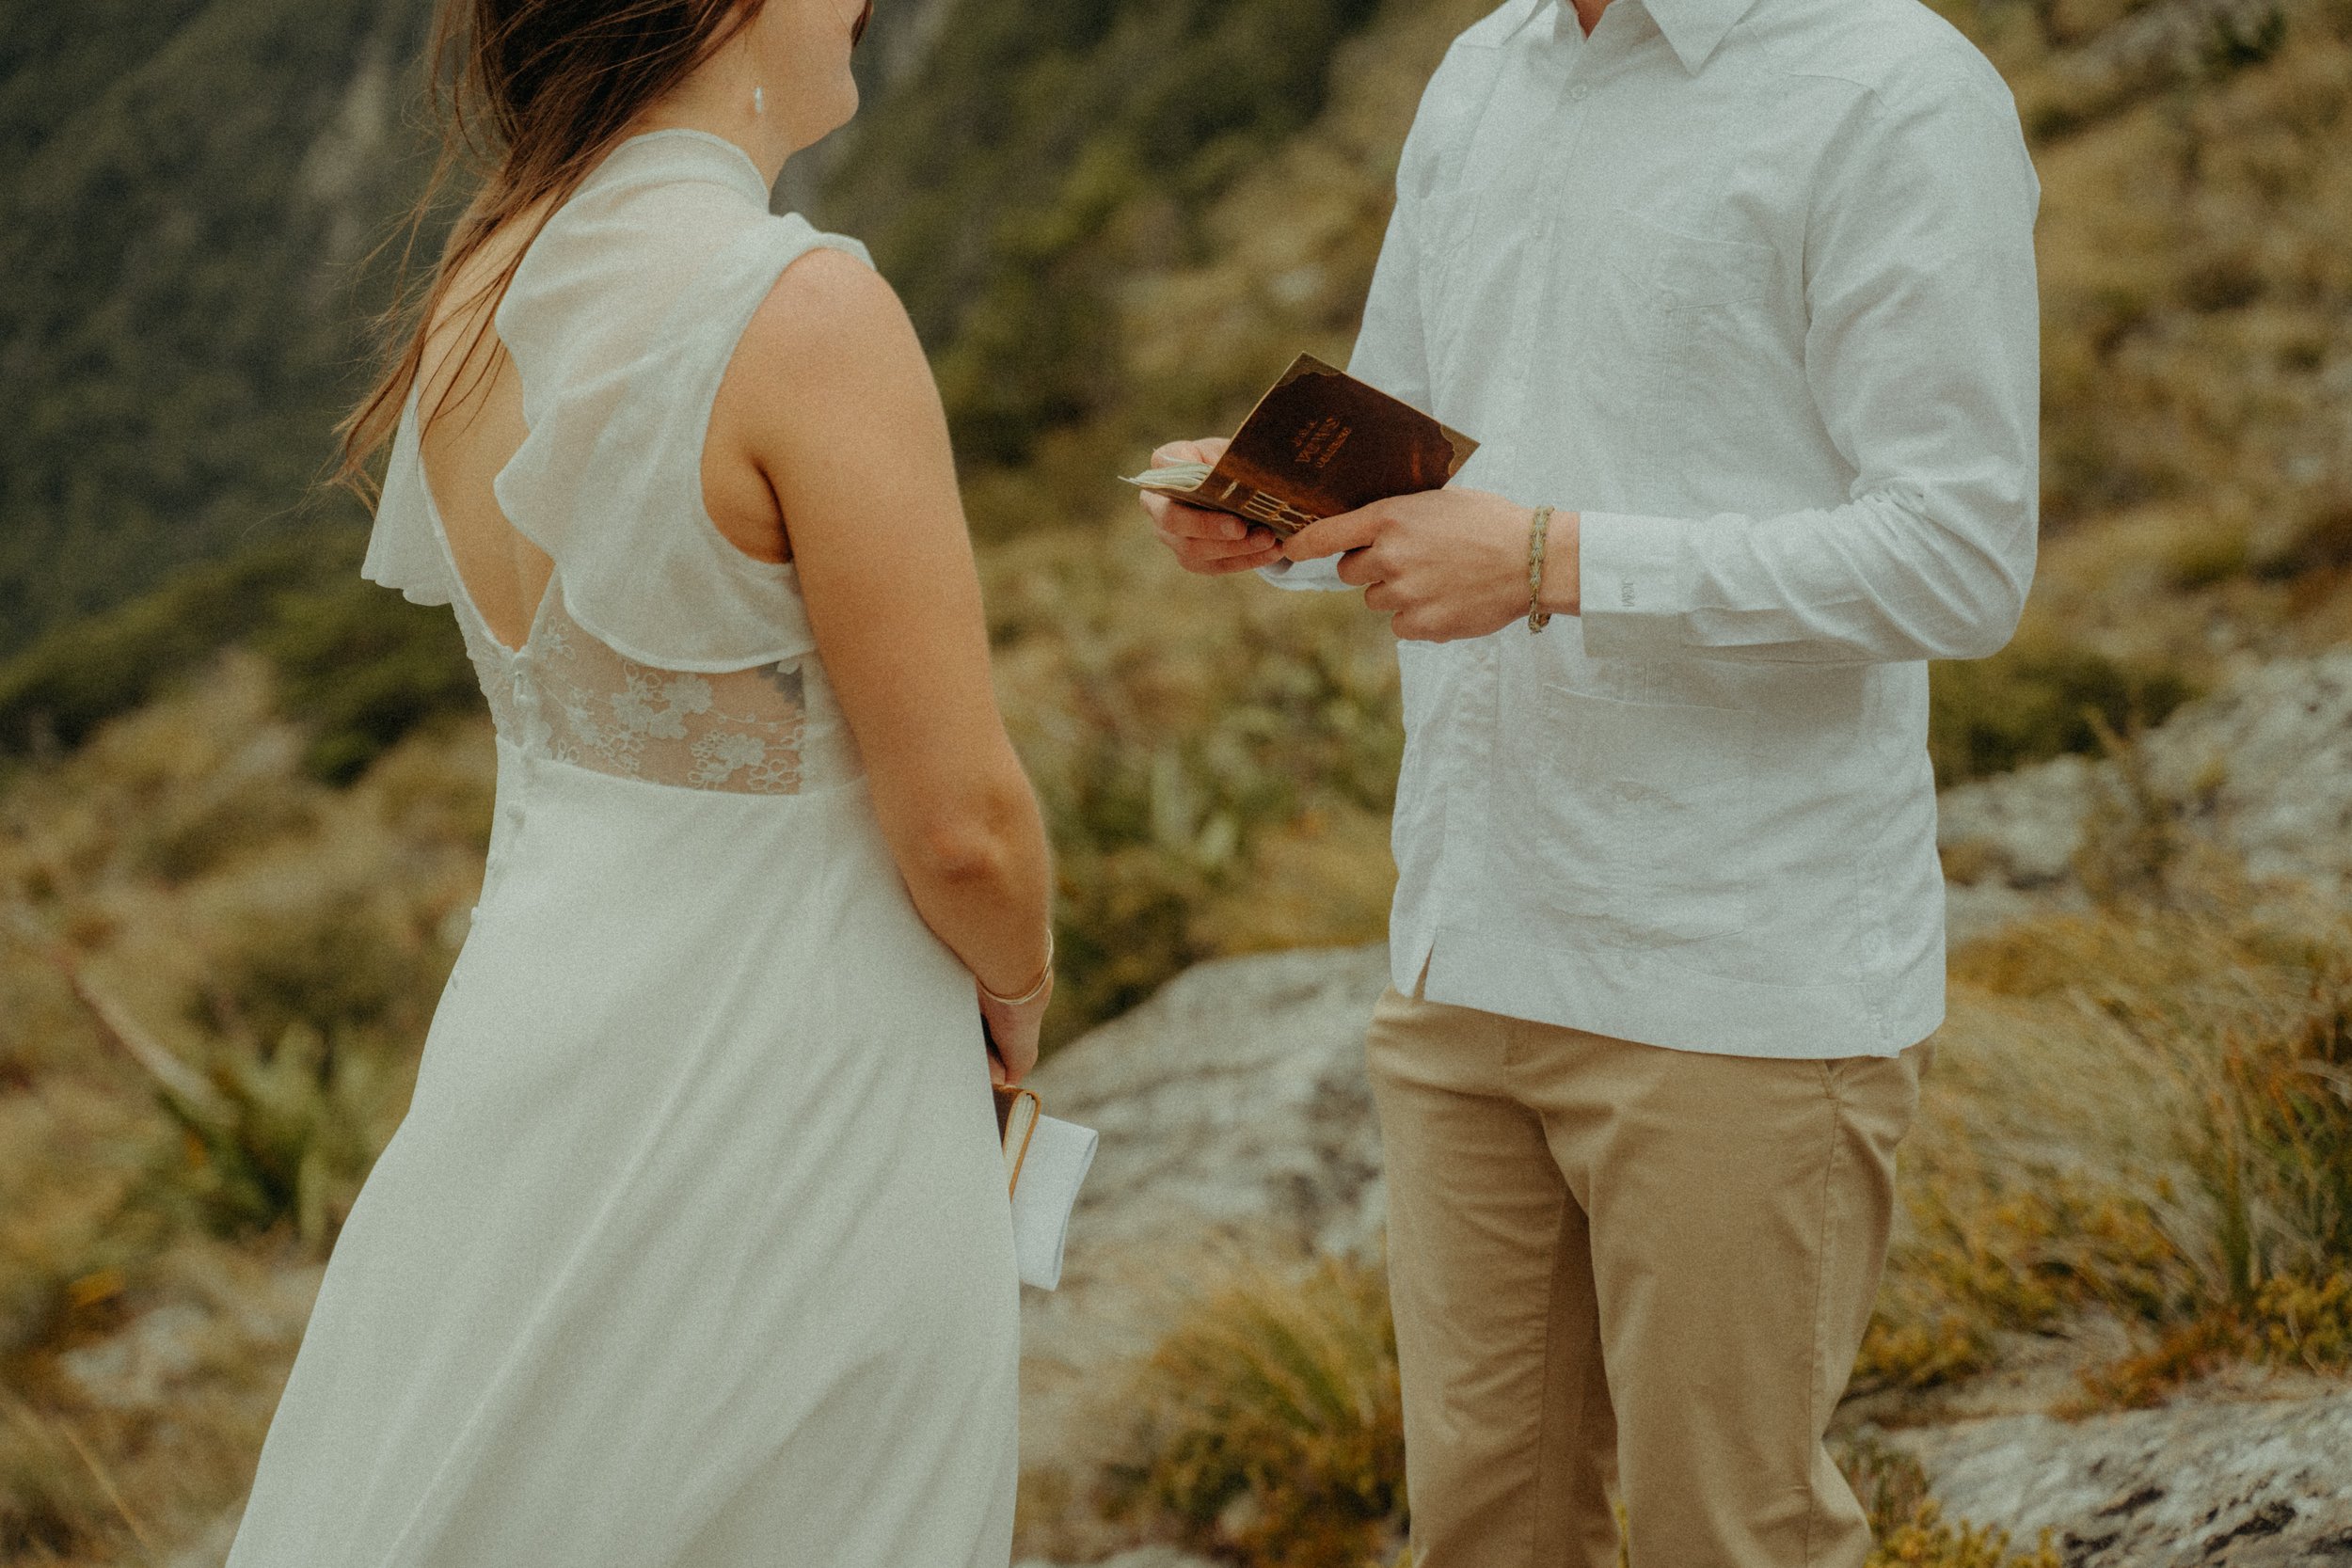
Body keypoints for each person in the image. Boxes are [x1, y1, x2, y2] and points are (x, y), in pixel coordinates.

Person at [1141, 0, 2040, 1559]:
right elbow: (1412, 478)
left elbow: (1962, 561)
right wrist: (1273, 515)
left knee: (1728, 1536)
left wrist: (1558, 559)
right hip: (1467, 947)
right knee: (1482, 1534)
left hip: (1735, 972)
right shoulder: (1487, 69)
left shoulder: (1895, 87)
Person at [225, 2, 1055, 1563]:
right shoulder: (803, 309)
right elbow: (962, 825)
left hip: (536, 1036)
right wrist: (1021, 988)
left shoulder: (490, 276)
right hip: (802, 1054)